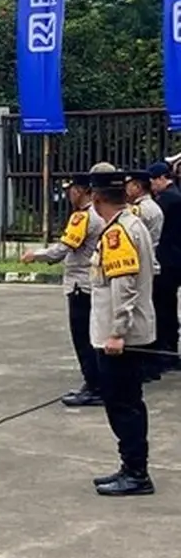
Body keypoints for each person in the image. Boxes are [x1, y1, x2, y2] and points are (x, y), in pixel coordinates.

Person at [86, 170, 156, 496]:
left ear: (97, 199)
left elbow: (124, 286)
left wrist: (117, 332)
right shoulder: (131, 225)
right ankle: (130, 466)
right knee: (126, 402)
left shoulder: (118, 233)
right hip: (127, 334)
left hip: (121, 339)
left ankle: (136, 473)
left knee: (123, 404)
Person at [20, 173, 106, 406]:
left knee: (83, 339)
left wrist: (35, 255)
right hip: (93, 283)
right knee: (93, 336)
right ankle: (97, 383)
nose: (69, 194)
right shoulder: (101, 214)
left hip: (80, 284)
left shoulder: (83, 217)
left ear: (80, 190)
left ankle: (94, 386)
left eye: (71, 189)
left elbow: (63, 249)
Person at [146, 161, 181, 376]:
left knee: (163, 307)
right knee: (167, 305)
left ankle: (165, 352)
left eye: (152, 182)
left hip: (168, 260)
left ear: (161, 178)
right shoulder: (172, 196)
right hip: (173, 259)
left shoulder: (168, 200)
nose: (151, 187)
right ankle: (169, 350)